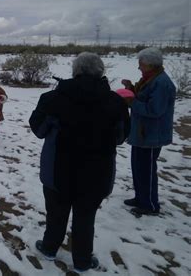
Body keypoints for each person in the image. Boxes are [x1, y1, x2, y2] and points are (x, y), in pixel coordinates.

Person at [29, 52, 130, 272]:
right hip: (97, 175)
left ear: (75, 71)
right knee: (85, 218)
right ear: (101, 72)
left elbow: (39, 129)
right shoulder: (116, 102)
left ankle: (49, 248)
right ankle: (82, 261)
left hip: (57, 173)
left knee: (56, 213)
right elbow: (121, 137)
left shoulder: (52, 99)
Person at [121, 47, 176, 216]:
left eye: (141, 65)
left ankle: (151, 205)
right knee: (138, 167)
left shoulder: (162, 83)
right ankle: (141, 198)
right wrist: (131, 87)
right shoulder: (150, 78)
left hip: (152, 135)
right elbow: (143, 96)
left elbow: (155, 110)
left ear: (151, 65)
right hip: (141, 133)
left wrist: (131, 102)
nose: (139, 68)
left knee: (147, 170)